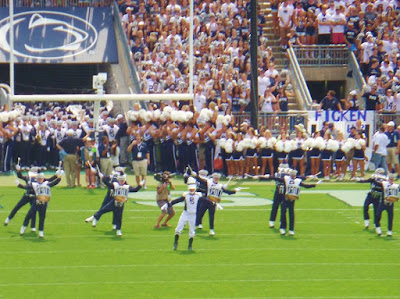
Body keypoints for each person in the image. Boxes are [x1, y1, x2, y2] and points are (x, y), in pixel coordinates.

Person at [260, 169, 321, 235]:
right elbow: (276, 178)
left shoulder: (297, 180)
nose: (292, 176)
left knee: (291, 214)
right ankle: (282, 228)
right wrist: (264, 176)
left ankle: (291, 229)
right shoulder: (286, 179)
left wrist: (315, 184)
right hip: (285, 198)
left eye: (293, 175)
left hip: (292, 199)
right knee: (283, 213)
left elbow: (305, 185)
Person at [164, 180, 219, 251]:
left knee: (192, 231)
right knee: (178, 228)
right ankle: (175, 243)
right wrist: (168, 204)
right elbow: (177, 200)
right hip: (185, 213)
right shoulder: (186, 195)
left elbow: (207, 201)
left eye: (192, 189)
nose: (191, 190)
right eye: (190, 189)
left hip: (193, 215)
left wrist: (215, 204)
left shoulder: (198, 196)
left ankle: (190, 246)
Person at [18, 171, 62, 238]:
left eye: (41, 178)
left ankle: (41, 232)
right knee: (29, 215)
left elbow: (54, 183)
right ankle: (23, 228)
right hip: (36, 203)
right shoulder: (35, 184)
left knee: (42, 218)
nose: (40, 179)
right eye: (39, 178)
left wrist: (60, 177)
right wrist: (19, 185)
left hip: (44, 203)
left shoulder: (47, 184)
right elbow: (27, 187)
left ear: (43, 178)